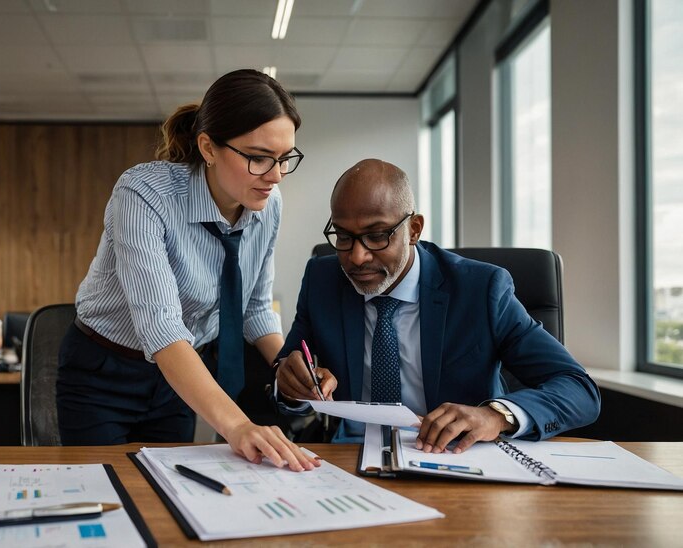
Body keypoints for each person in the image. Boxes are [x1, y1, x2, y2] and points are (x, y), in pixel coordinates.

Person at [57, 69, 318, 472]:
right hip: (104, 372)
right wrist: (239, 426)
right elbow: (161, 326)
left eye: (285, 159)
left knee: (168, 494)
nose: (276, 175)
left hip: (180, 375)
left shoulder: (269, 203)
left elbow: (255, 309)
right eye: (258, 158)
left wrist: (289, 367)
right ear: (208, 147)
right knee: (106, 492)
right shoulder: (144, 194)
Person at [275, 159, 600, 453]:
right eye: (344, 237)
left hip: (454, 454)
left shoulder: (481, 289)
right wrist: (291, 387)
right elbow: (289, 373)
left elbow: (578, 389)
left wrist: (495, 416)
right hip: (351, 453)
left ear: (414, 229)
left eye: (377, 236)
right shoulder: (322, 278)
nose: (357, 257)